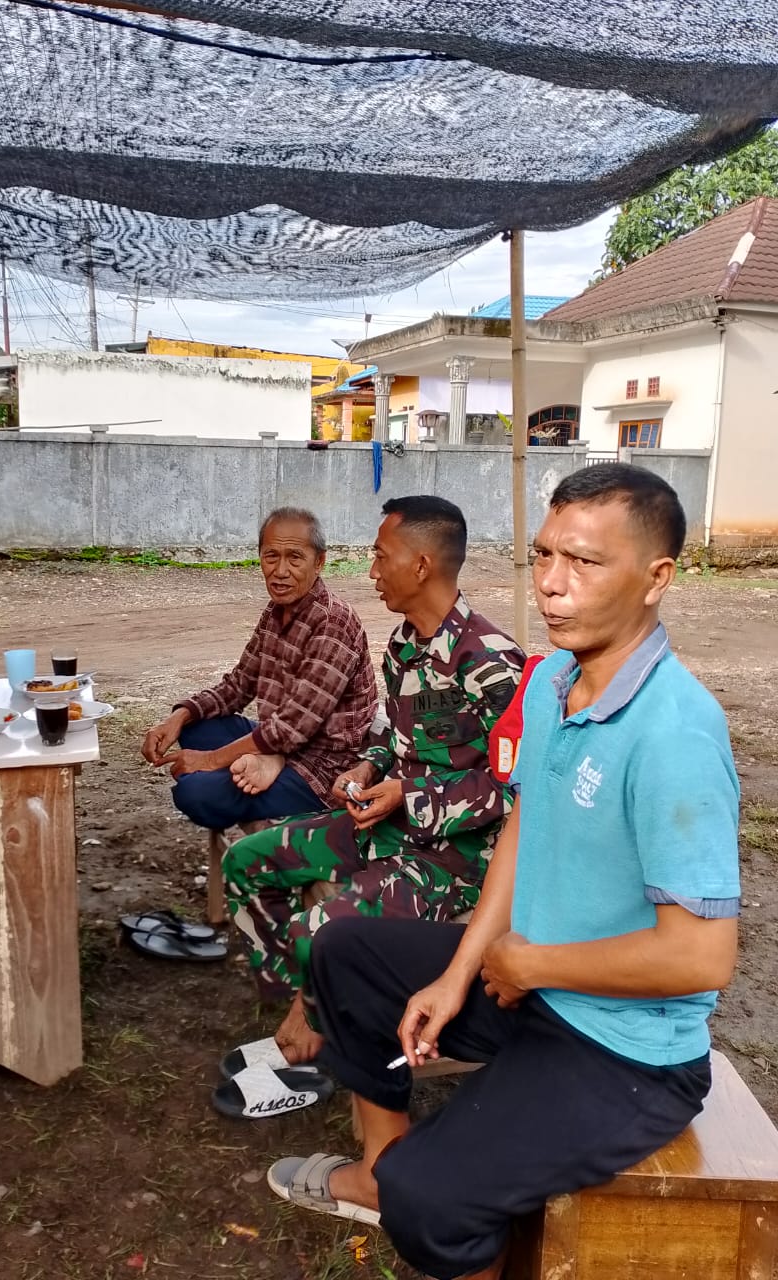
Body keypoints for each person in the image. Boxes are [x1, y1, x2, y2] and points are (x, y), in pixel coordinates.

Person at [269, 464, 741, 1280]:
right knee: (343, 951)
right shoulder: (553, 679)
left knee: (430, 1200)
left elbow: (701, 957)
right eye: (544, 555)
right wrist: (459, 975)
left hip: (627, 1052)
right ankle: (378, 1173)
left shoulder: (676, 733)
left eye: (584, 562)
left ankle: (413, 1196)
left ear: (656, 577)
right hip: (530, 988)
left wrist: (530, 963)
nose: (552, 584)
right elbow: (526, 821)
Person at [224, 496, 525, 1066]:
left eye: (381, 556)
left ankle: (317, 1030)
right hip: (386, 826)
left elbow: (515, 790)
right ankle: (306, 1000)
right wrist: (368, 767)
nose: (371, 571)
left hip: (456, 859)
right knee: (246, 861)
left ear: (421, 566)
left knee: (319, 931)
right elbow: (398, 737)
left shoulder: (489, 661)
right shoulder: (405, 646)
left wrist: (408, 796)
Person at [141, 507, 377, 831]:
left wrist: (208, 761)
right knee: (194, 728)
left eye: (295, 558)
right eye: (271, 557)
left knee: (194, 793)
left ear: (319, 562)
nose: (280, 571)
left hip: (321, 769)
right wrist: (178, 717)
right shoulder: (276, 611)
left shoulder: (334, 622)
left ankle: (267, 768)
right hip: (281, 743)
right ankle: (264, 761)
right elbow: (238, 686)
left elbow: (290, 729)